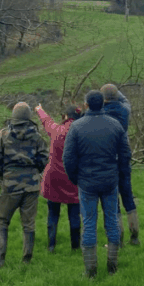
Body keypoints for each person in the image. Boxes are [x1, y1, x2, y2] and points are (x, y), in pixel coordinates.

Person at [63, 90, 131, 278]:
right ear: (102, 104)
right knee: (111, 221)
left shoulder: (77, 127)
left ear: (86, 105)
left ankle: (90, 270)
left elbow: (68, 158)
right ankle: (112, 266)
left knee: (89, 223)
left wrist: (76, 178)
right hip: (110, 180)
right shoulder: (115, 125)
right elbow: (125, 154)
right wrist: (118, 173)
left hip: (87, 182)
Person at [0, 102, 49, 268]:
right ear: (28, 117)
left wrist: (1, 175)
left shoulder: (4, 134)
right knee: (28, 224)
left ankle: (0, 259)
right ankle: (26, 259)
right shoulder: (36, 136)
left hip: (11, 183)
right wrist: (34, 170)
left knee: (2, 221)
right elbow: (44, 158)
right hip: (32, 184)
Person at [36, 103, 84, 253]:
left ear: (65, 117)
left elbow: (47, 121)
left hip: (54, 178)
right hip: (74, 179)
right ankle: (75, 247)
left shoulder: (56, 130)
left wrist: (39, 110)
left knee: (53, 213)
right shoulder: (82, 133)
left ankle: (51, 246)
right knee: (74, 214)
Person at [101, 83, 140, 246]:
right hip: (124, 154)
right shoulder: (125, 110)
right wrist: (116, 90)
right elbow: (125, 100)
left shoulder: (101, 113)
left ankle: (118, 238)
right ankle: (135, 236)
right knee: (127, 194)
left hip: (109, 156)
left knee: (112, 198)